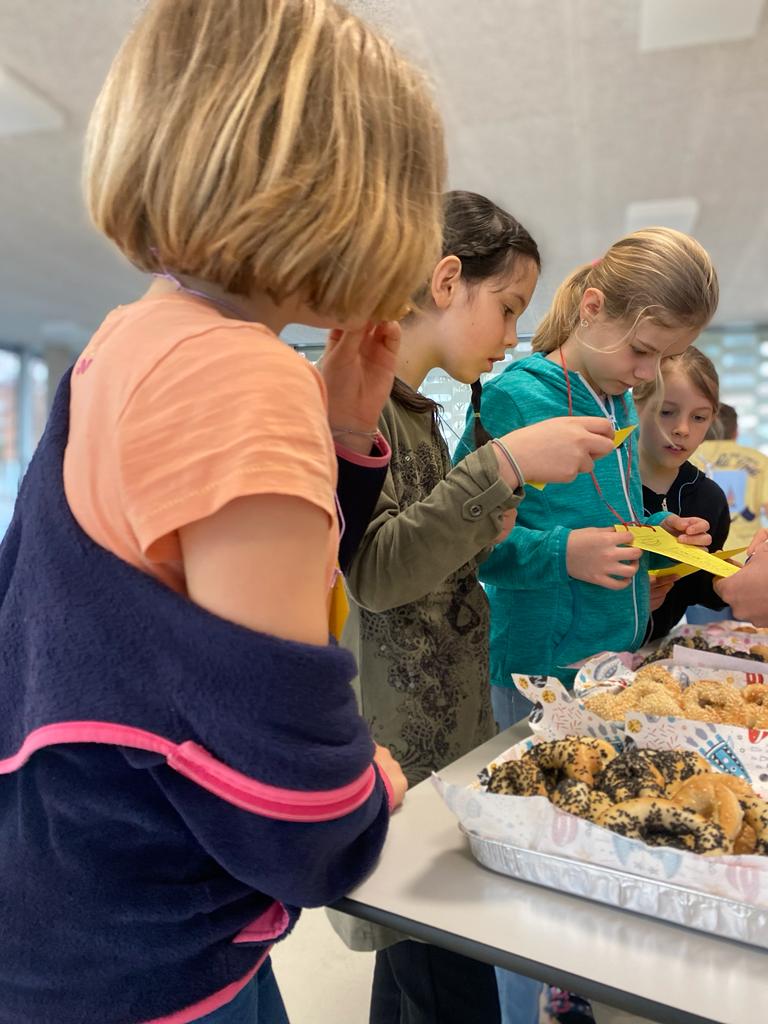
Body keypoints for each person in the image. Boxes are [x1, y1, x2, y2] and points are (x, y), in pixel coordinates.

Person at [0, 2, 448, 1022]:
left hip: (70, 908)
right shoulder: (243, 376)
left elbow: (180, 599)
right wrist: (364, 797)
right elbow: (287, 791)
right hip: (154, 953)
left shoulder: (129, 340)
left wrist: (338, 432)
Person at [337, 190, 616, 1024]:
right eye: (508, 307)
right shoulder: (364, 412)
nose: (512, 336)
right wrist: (505, 465)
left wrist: (493, 515)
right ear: (447, 280)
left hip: (438, 739)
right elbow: (377, 573)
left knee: (415, 978)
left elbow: (438, 555)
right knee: (440, 980)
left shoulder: (419, 414)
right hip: (399, 745)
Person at [458, 227, 719, 732]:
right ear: (592, 308)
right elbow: (466, 543)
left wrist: (656, 536)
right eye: (641, 350)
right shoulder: (511, 400)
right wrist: (565, 554)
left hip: (612, 662)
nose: (647, 374)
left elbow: (605, 520)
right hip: (536, 674)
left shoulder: (617, 401)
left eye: (664, 358)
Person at [635, 347, 730, 639]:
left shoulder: (710, 498)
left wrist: (723, 582)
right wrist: (626, 600)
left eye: (699, 417)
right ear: (635, 405)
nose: (682, 429)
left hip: (658, 649)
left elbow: (696, 587)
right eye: (666, 412)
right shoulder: (600, 486)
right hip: (585, 652)